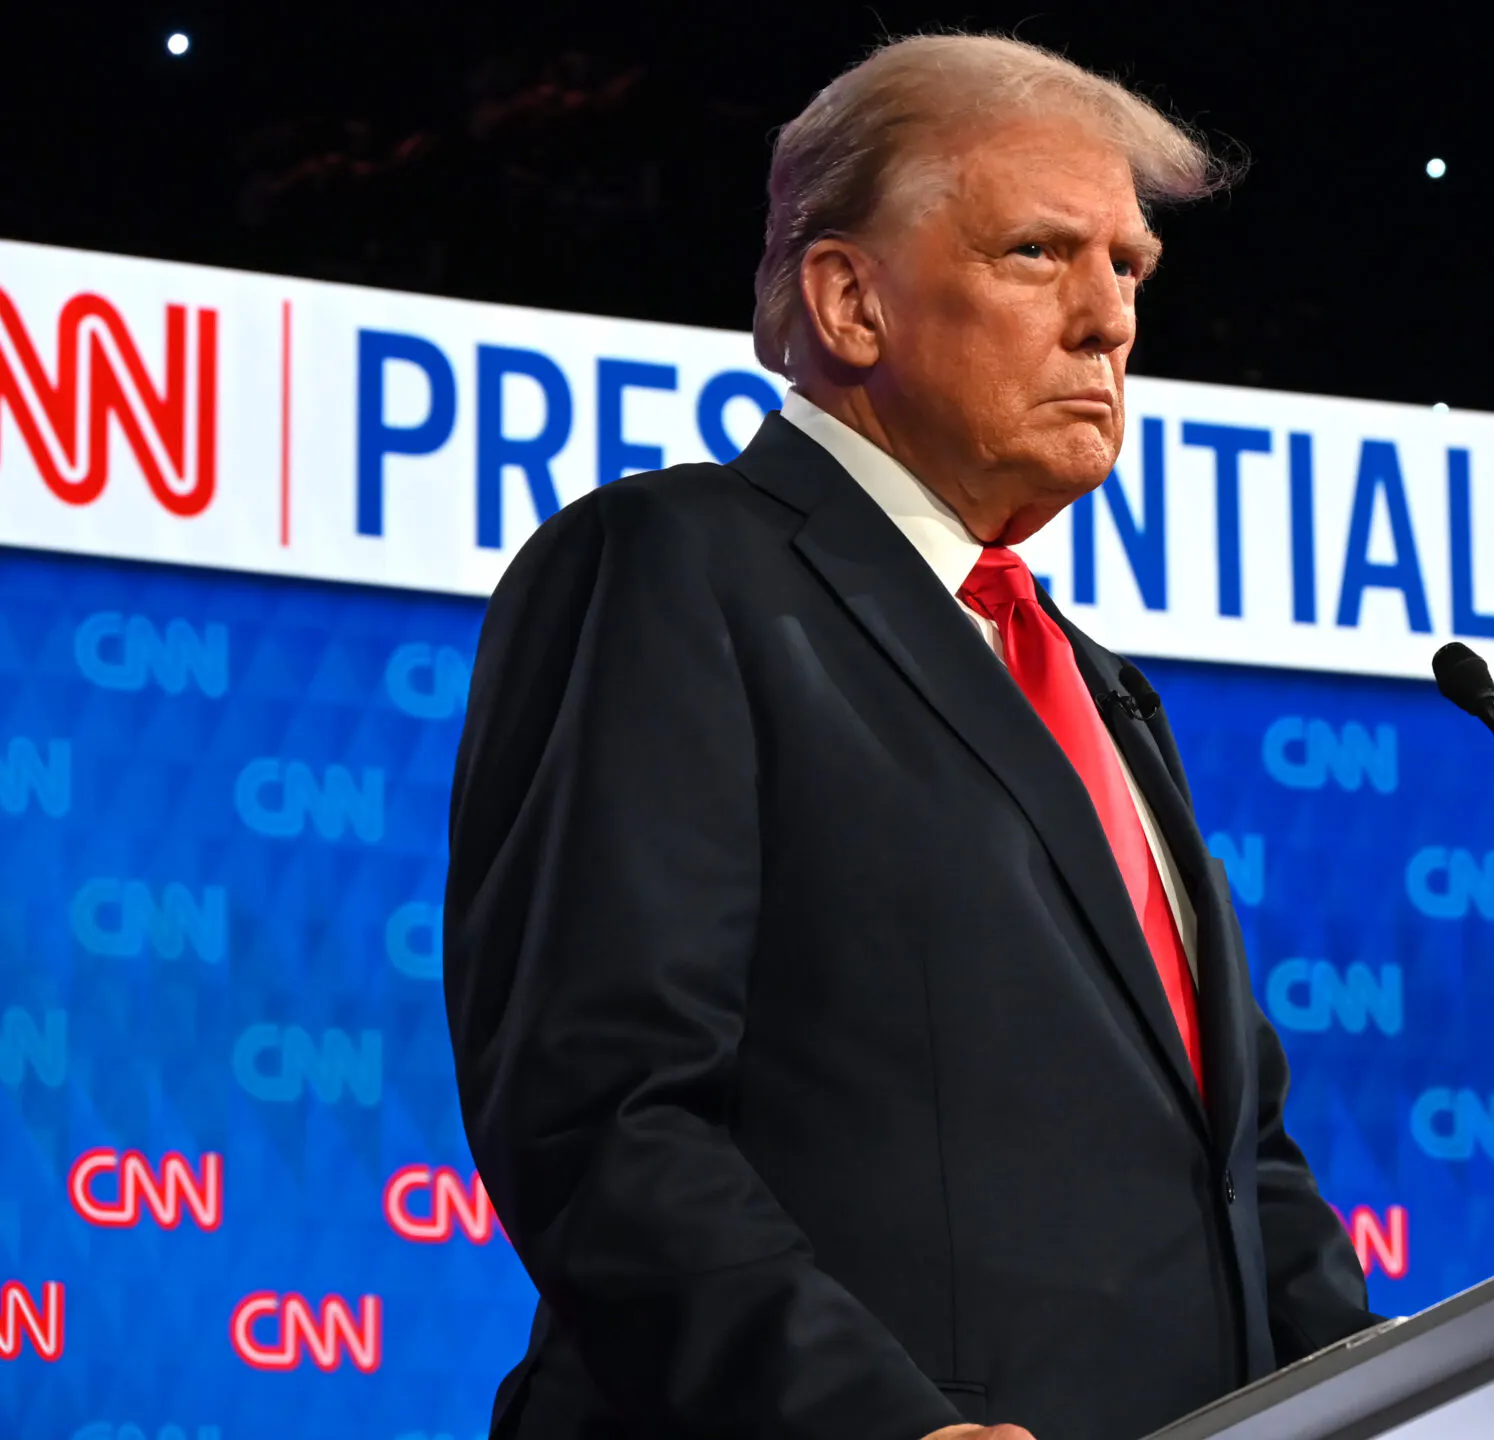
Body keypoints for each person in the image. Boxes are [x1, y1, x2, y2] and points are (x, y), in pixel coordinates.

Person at [442, 34, 1380, 1440]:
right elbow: (604, 1109)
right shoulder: (676, 567)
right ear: (851, 300)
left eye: (1128, 267)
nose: (1108, 321)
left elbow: (1243, 1162)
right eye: (1038, 253)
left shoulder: (1097, 687)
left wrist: (1387, 1400)